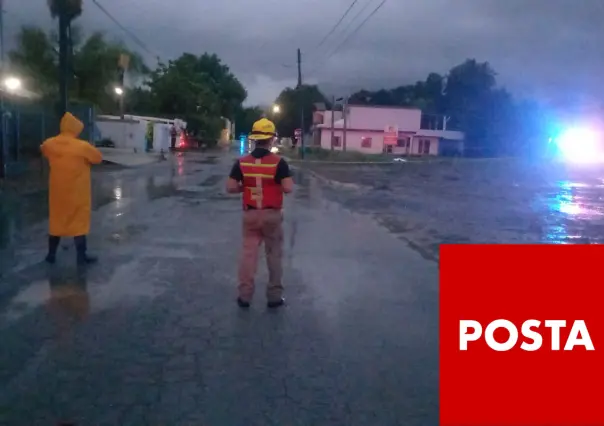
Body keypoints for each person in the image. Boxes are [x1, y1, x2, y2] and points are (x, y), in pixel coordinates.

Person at [226, 118, 294, 309]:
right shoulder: (279, 163)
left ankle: (244, 296)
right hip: (272, 215)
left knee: (248, 256)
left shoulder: (242, 163)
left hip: (250, 215)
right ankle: (274, 297)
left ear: (255, 138)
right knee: (274, 256)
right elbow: (288, 188)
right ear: (271, 139)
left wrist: (246, 187)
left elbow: (230, 187)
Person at [41, 112, 103, 265]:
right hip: (77, 192)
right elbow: (97, 158)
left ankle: (51, 255)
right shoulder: (82, 146)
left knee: (56, 222)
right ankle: (81, 257)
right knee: (79, 224)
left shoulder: (50, 144)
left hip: (57, 192)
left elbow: (43, 148)